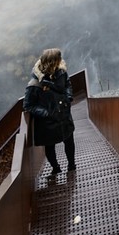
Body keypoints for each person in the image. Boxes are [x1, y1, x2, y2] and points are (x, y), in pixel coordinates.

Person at [23, 47, 75, 175]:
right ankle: (55, 167)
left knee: (69, 141)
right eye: (58, 59)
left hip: (64, 115)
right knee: (50, 146)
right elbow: (28, 105)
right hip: (48, 122)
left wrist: (68, 96)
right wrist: (46, 113)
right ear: (52, 62)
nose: (61, 61)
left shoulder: (61, 72)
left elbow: (67, 84)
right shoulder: (35, 83)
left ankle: (71, 166)